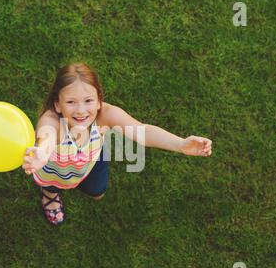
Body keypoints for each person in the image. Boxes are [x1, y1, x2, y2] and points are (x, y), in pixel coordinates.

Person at [22, 62, 212, 226]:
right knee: (53, 186)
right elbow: (47, 135)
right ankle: (50, 196)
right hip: (55, 170)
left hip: (90, 161)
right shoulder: (52, 120)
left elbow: (142, 131)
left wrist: (180, 144)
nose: (81, 111)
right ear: (57, 105)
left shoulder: (106, 114)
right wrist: (43, 152)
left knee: (97, 191)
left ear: (99, 101)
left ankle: (77, 185)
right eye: (71, 102)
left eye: (88, 100)